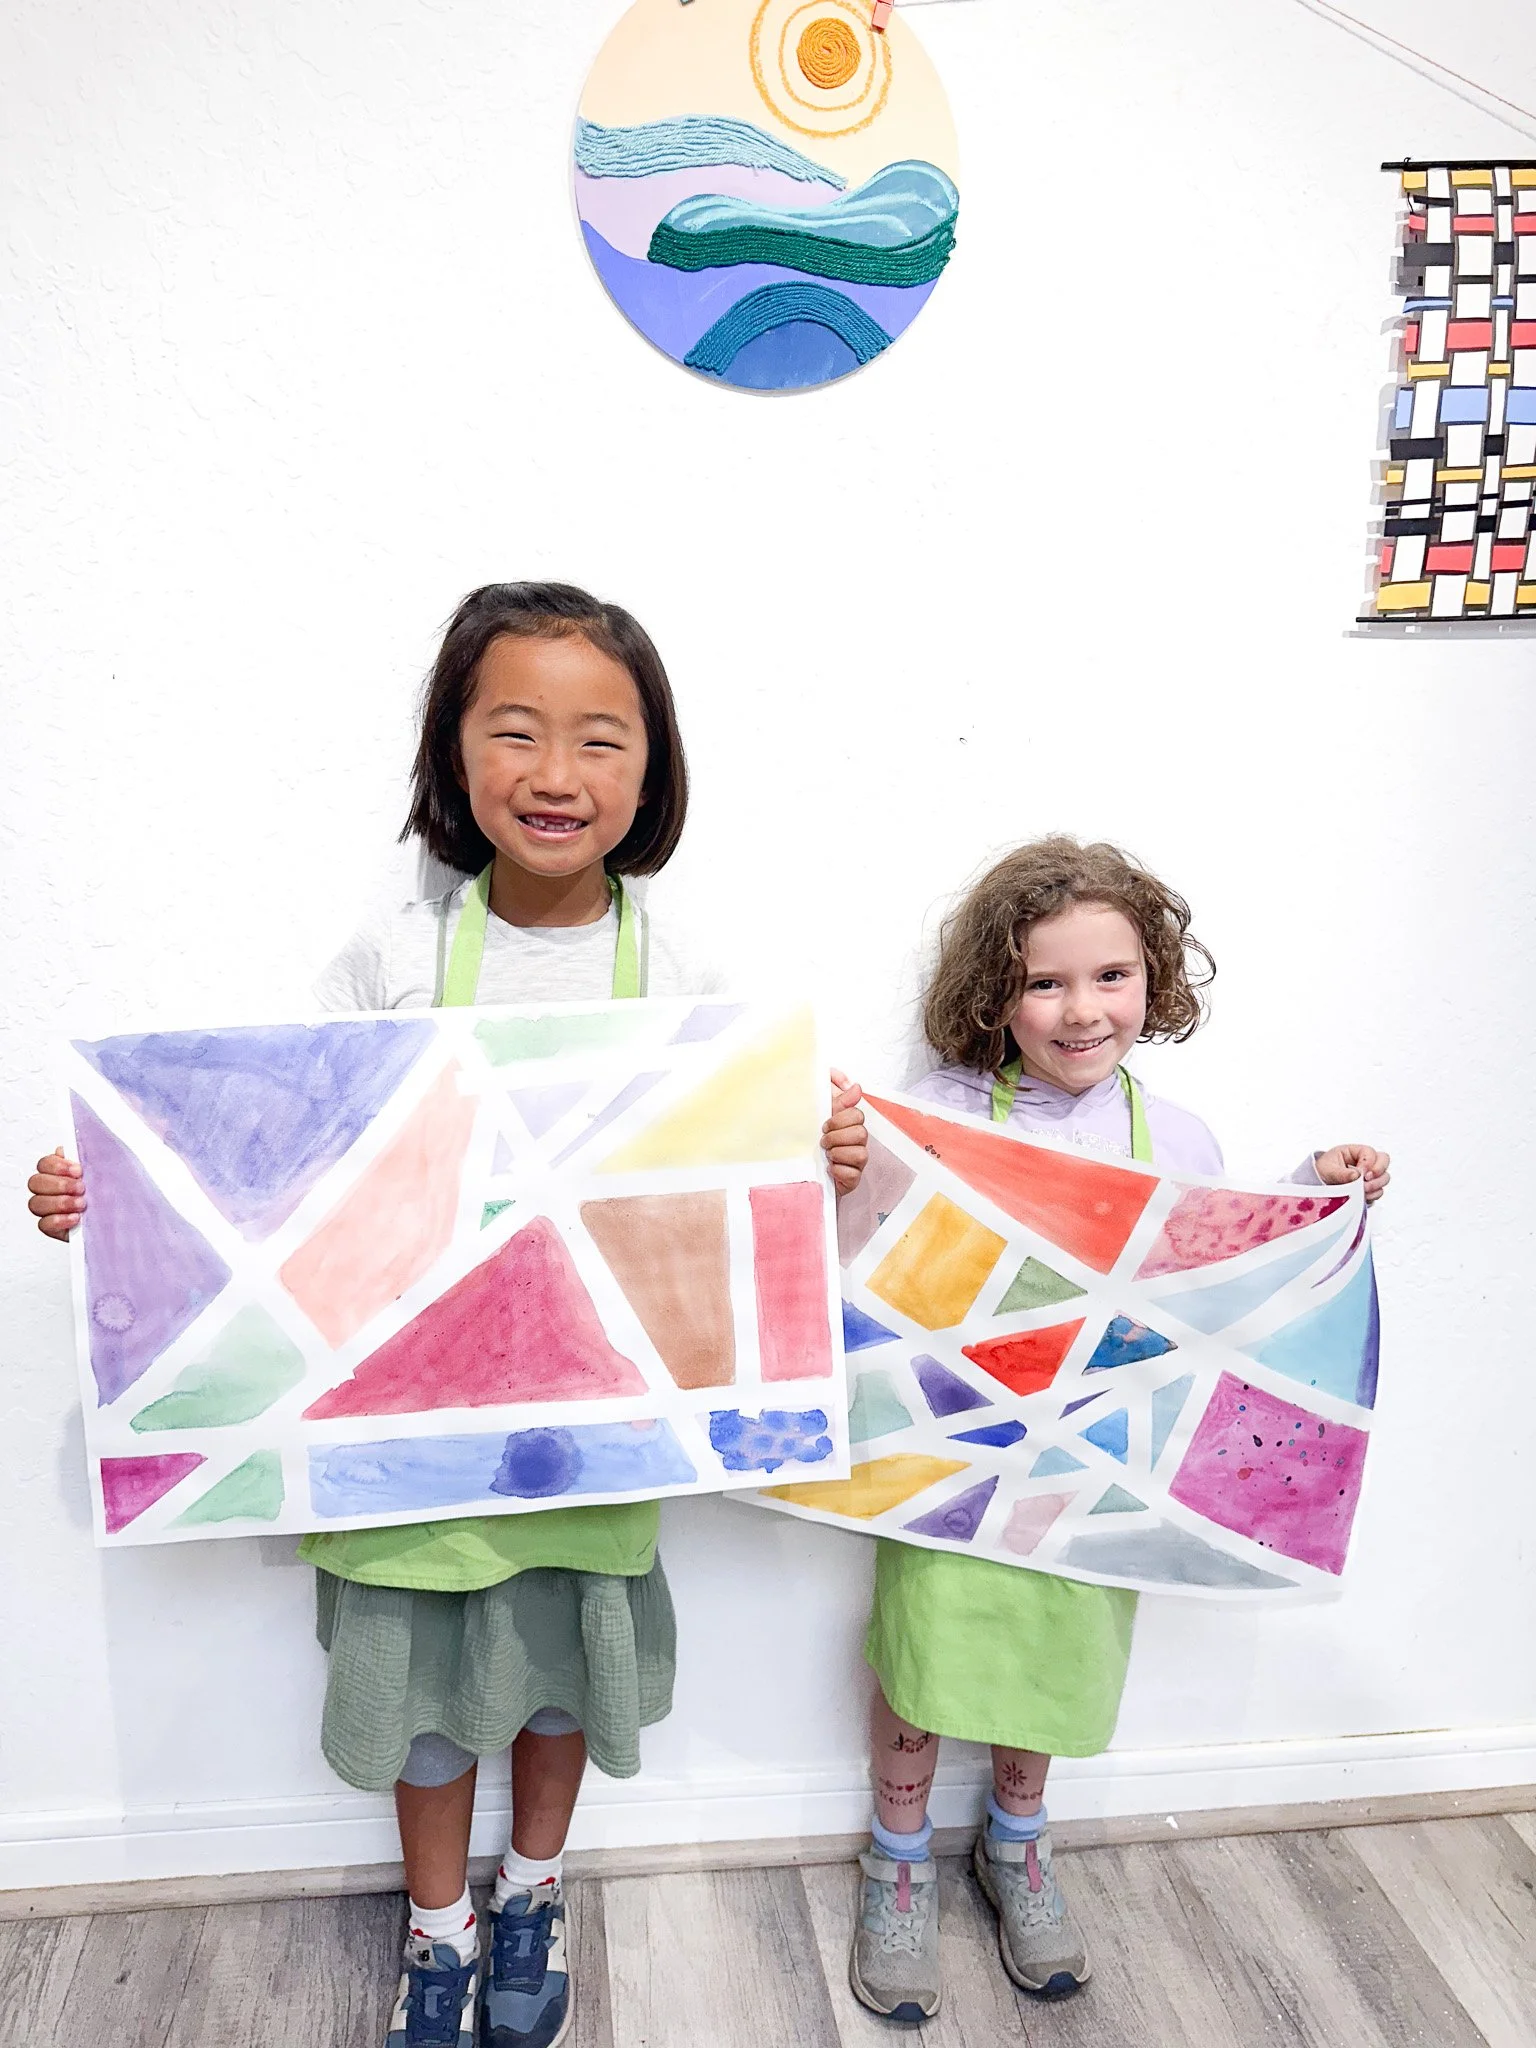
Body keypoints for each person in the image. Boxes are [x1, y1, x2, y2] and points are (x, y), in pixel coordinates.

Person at [29, 581, 868, 2048]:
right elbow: (278, 1170)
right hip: (401, 1443)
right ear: (452, 750)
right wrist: (121, 1186)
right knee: (421, 1704)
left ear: (651, 772)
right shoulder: (392, 965)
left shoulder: (687, 981)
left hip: (590, 1433)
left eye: (601, 739)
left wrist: (821, 1152)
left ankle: (533, 1889)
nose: (556, 773)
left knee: (557, 1690)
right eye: (516, 732)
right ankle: (437, 1928)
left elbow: (740, 1185)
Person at [848, 835, 1390, 2024]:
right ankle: (895, 1858)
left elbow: (1225, 1269)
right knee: (926, 1651)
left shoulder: (1177, 1136)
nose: (1081, 1008)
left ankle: (1016, 1843)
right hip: (954, 1452)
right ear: (995, 990)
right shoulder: (935, 1111)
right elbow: (861, 1251)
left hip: (1100, 1460)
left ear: (1155, 980)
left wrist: (1313, 1185)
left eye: (1112, 976)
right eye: (1046, 980)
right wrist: (834, 1156)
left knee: (1055, 1657)